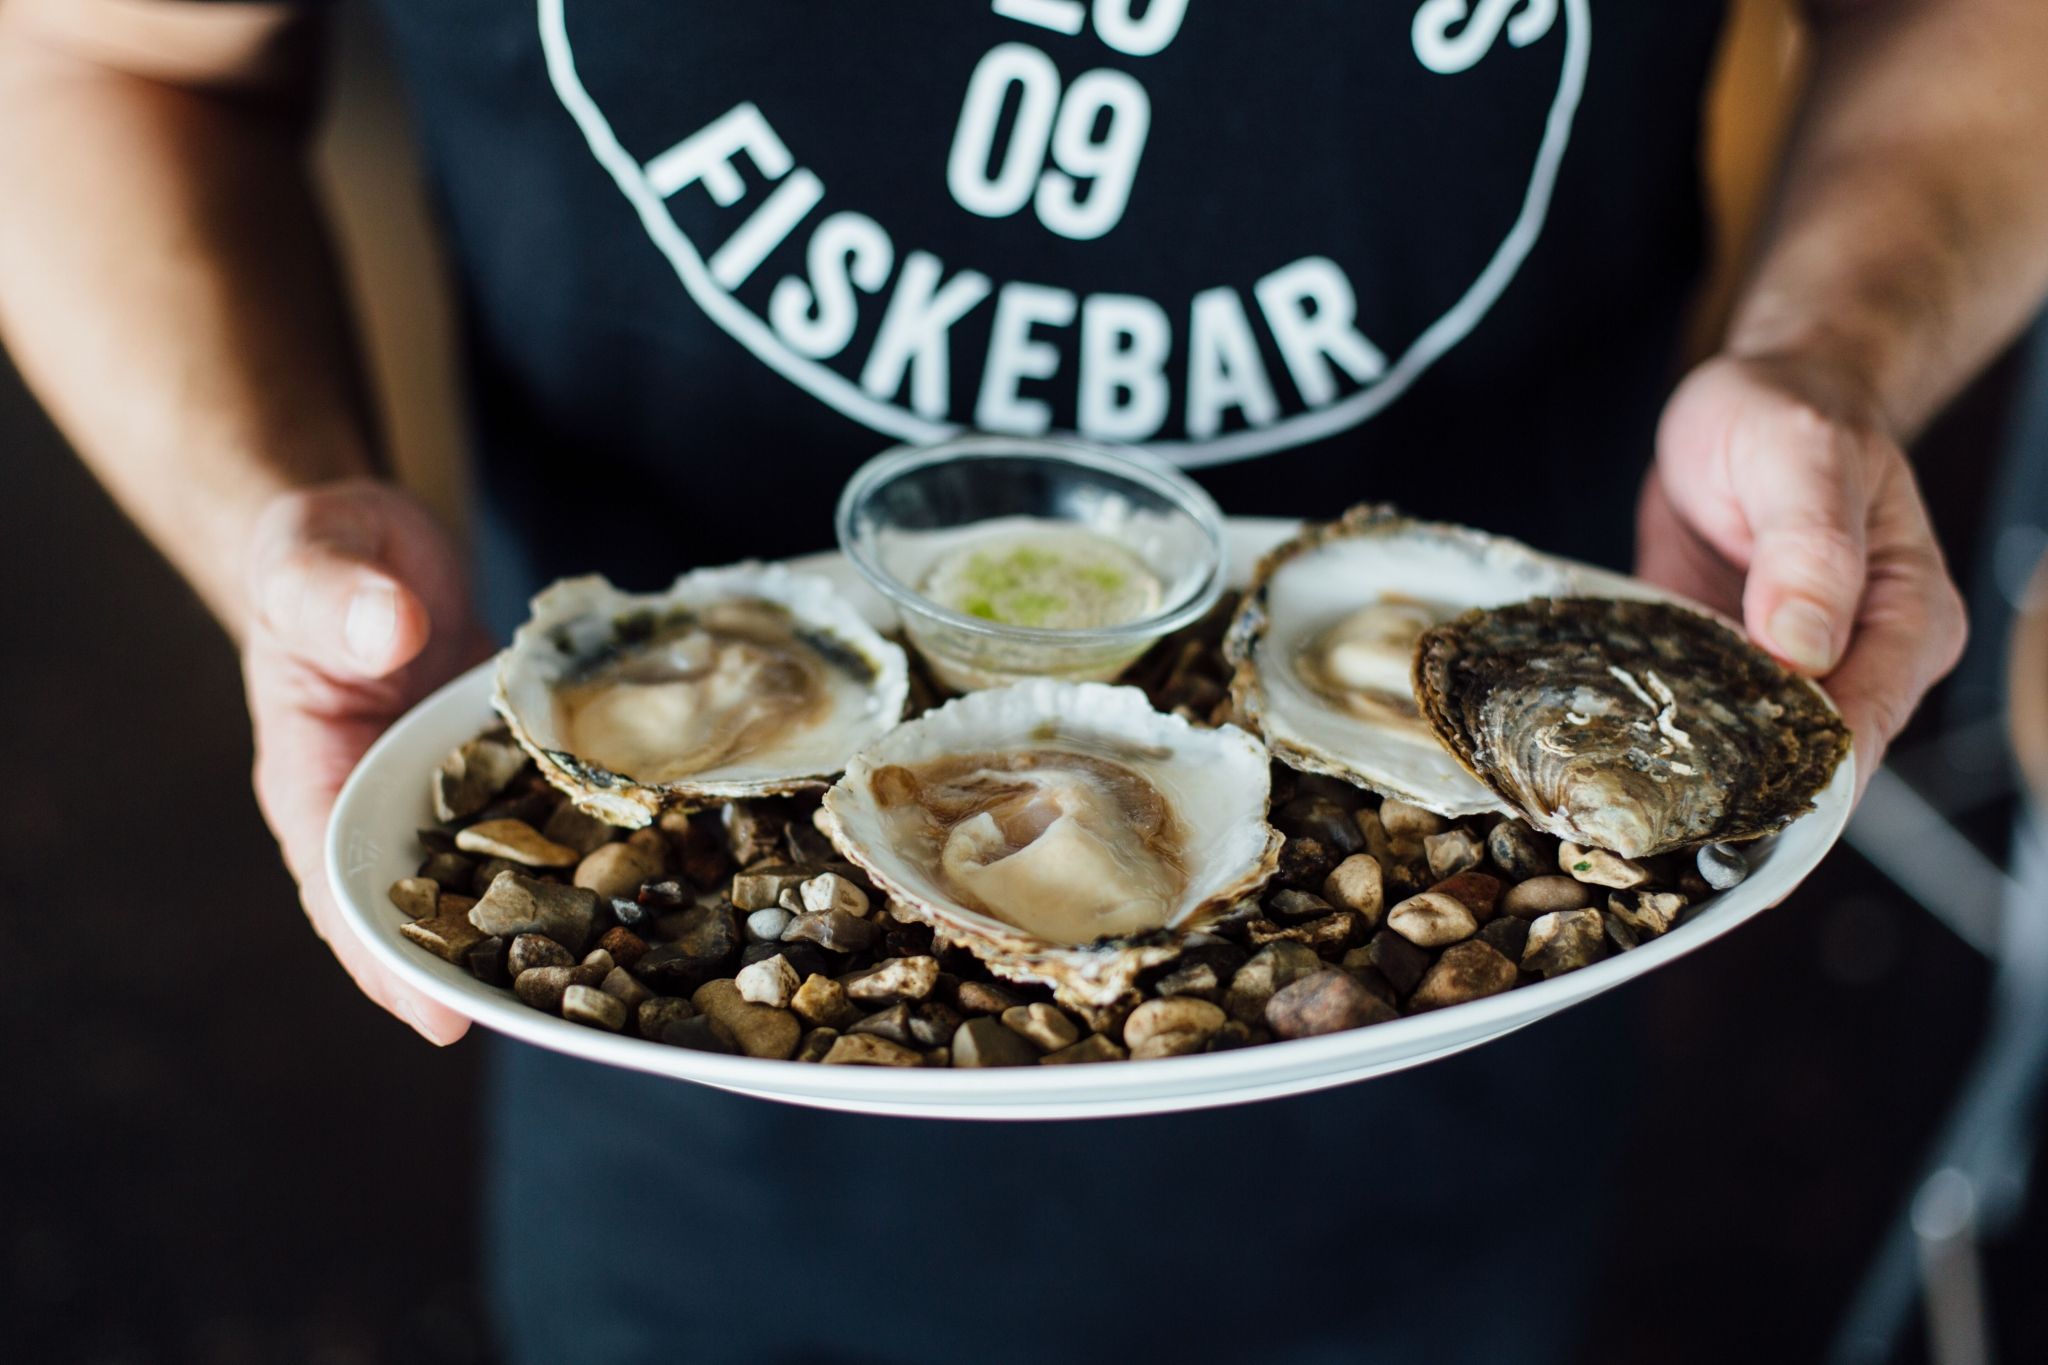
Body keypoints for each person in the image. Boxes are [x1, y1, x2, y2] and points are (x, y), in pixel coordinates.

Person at [1, 1, 2040, 1359]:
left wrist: (1829, 347)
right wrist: (278, 519)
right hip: (693, 1090)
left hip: (1473, 1036)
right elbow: (95, 53)